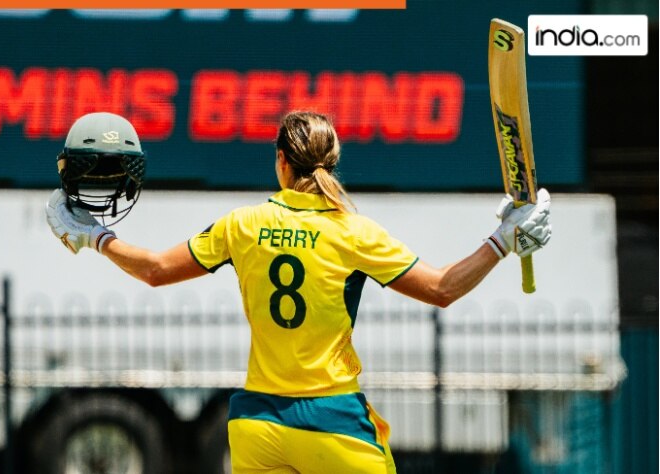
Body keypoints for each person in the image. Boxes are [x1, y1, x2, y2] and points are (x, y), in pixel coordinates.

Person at [46, 111, 551, 473]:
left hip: (255, 426)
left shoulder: (242, 225)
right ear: (330, 163)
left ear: (281, 161)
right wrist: (502, 242)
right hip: (333, 423)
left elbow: (155, 270)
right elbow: (443, 289)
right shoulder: (353, 232)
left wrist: (94, 236)